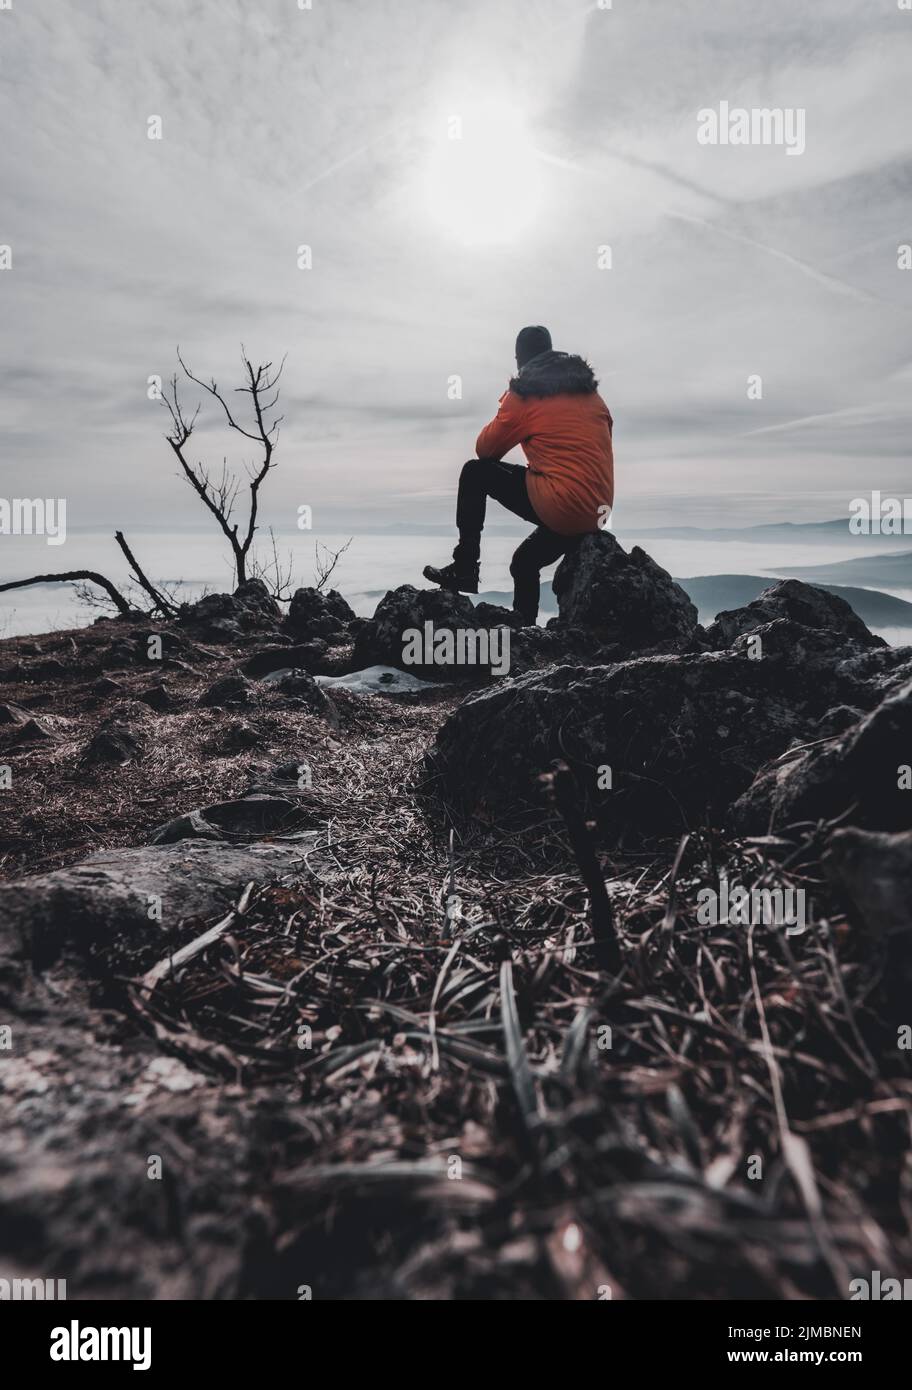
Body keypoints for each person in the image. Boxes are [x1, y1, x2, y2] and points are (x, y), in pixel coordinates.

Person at [423, 325, 614, 624]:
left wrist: (508, 406)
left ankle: (465, 568)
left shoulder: (526, 394)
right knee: (523, 563)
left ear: (520, 359)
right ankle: (525, 628)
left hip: (561, 506)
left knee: (474, 474)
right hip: (597, 512)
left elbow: (485, 450)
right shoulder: (591, 395)